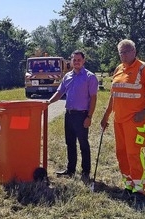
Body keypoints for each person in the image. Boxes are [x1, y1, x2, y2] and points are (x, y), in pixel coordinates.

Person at [100, 39, 145, 199]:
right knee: (121, 153)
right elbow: (114, 95)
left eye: (127, 51)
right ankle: (128, 185)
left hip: (134, 121)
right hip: (118, 121)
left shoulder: (143, 68)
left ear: (134, 52)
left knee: (134, 154)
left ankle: (139, 189)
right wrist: (106, 115)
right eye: (121, 52)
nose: (124, 55)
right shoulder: (118, 69)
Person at [47, 50, 98, 178]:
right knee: (70, 143)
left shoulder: (90, 77)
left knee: (83, 143)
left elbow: (93, 98)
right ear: (71, 61)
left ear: (83, 61)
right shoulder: (67, 76)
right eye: (74, 60)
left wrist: (89, 117)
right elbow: (59, 93)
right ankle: (70, 170)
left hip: (82, 115)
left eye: (79, 60)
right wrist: (48, 102)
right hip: (69, 115)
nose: (76, 62)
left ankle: (85, 171)